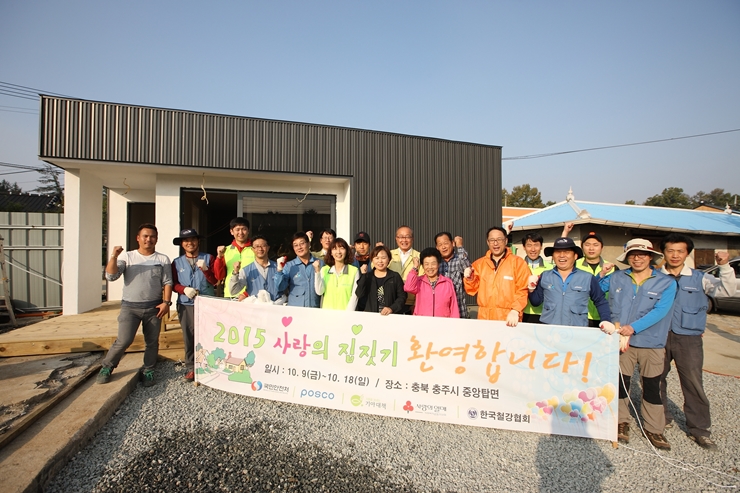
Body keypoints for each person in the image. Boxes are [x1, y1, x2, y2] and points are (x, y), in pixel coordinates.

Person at [658, 233, 736, 450]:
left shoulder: (700, 278)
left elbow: (727, 290)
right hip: (658, 336)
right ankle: (660, 419)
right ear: (663, 252)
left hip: (689, 338)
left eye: (680, 251)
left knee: (693, 382)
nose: (675, 255)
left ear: (687, 254)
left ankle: (699, 429)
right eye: (670, 251)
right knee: (655, 379)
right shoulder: (655, 277)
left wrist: (725, 267)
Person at [600, 238, 677, 450]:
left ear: (650, 257)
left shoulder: (666, 282)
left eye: (642, 254)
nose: (637, 258)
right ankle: (621, 421)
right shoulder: (617, 277)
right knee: (621, 383)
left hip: (651, 342)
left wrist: (633, 327)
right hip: (621, 342)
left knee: (651, 385)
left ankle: (654, 428)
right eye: (633, 255)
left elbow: (660, 311)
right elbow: (596, 290)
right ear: (627, 258)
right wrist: (602, 274)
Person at [97, 224, 173, 387]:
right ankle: (107, 367)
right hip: (130, 307)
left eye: (152, 236)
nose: (149, 239)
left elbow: (167, 282)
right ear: (138, 238)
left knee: (152, 342)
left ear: (156, 239)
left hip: (154, 308)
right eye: (145, 236)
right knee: (124, 340)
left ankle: (149, 370)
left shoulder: (162, 259)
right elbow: (111, 276)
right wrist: (114, 256)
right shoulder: (128, 257)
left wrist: (166, 302)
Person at [528, 237, 611, 327]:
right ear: (553, 256)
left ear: (575, 256)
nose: (562, 255)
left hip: (577, 329)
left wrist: (606, 320)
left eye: (567, 252)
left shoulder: (587, 277)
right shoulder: (545, 276)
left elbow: (600, 301)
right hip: (550, 329)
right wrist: (531, 288)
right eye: (558, 252)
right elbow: (536, 302)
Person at [171, 228, 217, 381]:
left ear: (198, 241)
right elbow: (173, 284)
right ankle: (192, 367)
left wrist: (205, 270)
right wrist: (184, 289)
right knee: (189, 336)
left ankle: (210, 364)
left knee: (209, 334)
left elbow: (215, 280)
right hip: (186, 304)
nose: (189, 243)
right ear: (182, 244)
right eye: (186, 240)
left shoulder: (209, 258)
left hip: (207, 302)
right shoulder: (177, 262)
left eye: (193, 239)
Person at [464, 226, 530, 325]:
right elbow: (471, 290)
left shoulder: (518, 263)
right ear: (487, 242)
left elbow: (523, 289)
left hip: (509, 318)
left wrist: (516, 310)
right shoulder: (479, 264)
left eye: (499, 239)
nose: (495, 243)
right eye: (492, 240)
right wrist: (470, 279)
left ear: (506, 240)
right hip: (485, 318)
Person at [563, 223, 617, 328]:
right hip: (578, 316)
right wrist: (565, 232)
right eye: (587, 245)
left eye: (595, 245)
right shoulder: (573, 265)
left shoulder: (612, 268)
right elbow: (561, 253)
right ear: (582, 247)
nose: (591, 248)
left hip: (603, 317)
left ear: (602, 247)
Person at [404, 248, 460, 318]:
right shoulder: (419, 281)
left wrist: (455, 323)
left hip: (443, 323)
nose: (430, 267)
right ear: (422, 266)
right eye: (426, 264)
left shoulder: (447, 283)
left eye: (433, 264)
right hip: (422, 322)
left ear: (438, 264)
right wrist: (415, 267)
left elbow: (453, 307)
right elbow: (408, 288)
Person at [229, 235, 284, 303]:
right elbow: (233, 291)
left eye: (263, 246)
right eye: (257, 246)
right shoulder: (246, 270)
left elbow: (285, 288)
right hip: (255, 308)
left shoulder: (279, 267)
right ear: (252, 249)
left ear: (268, 248)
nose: (260, 249)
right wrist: (235, 272)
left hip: (276, 307)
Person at [355, 245, 407, 315]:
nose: (380, 261)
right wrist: (363, 275)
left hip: (390, 316)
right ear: (372, 260)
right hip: (371, 316)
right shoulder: (367, 276)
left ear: (389, 259)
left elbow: (402, 297)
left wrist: (392, 308)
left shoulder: (395, 276)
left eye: (383, 258)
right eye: (377, 258)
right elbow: (359, 294)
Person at [274, 232, 321, 308]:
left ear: (309, 244)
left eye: (302, 243)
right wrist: (279, 270)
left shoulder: (320, 263)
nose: (299, 247)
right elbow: (280, 287)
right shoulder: (289, 266)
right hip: (295, 310)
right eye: (295, 245)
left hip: (315, 308)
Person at [314, 238, 359, 310]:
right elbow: (319, 291)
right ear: (331, 252)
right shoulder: (324, 270)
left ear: (347, 251)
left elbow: (354, 296)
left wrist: (348, 314)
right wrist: (317, 272)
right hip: (327, 313)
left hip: (346, 314)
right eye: (334, 249)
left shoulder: (354, 271)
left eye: (341, 248)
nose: (338, 252)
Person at [214, 217, 255, 298]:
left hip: (251, 294)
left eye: (244, 229)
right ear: (231, 231)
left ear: (248, 231)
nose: (241, 232)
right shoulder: (225, 250)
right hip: (231, 294)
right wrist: (219, 257)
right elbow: (219, 276)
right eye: (237, 229)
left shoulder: (255, 249)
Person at [435, 232, 472, 318]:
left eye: (446, 243)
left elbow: (467, 267)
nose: (443, 247)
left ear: (452, 243)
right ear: (437, 247)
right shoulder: (436, 263)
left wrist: (460, 246)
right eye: (440, 245)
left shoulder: (459, 259)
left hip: (459, 310)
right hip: (440, 312)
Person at [519, 232, 553, 323]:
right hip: (521, 312)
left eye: (536, 245)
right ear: (524, 247)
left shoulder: (550, 268)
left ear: (541, 246)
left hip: (544, 314)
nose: (533, 249)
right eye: (529, 245)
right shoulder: (518, 267)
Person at [389, 226, 420, 314]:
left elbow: (422, 281)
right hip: (391, 302)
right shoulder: (388, 255)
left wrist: (416, 304)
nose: (404, 240)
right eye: (401, 237)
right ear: (396, 238)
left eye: (407, 236)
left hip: (410, 304)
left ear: (412, 239)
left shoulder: (419, 256)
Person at [352, 231, 373, 311]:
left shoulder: (375, 261)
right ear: (354, 245)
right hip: (353, 301)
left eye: (365, 243)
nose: (362, 247)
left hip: (370, 301)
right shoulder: (350, 262)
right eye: (359, 243)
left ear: (369, 245)